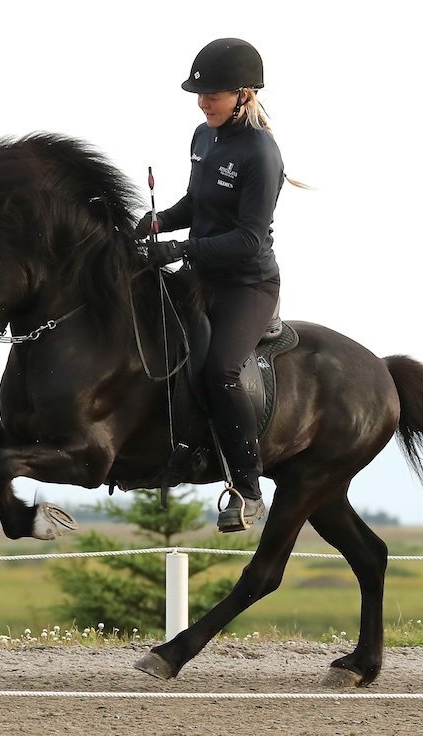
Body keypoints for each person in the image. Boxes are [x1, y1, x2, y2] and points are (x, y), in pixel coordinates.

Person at [135, 38, 297, 533]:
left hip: (247, 285)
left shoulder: (261, 153)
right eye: (200, 94)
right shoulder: (203, 138)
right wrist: (158, 222)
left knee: (221, 370)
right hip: (203, 274)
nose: (203, 102)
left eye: (213, 94)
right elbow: (195, 204)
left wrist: (182, 250)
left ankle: (247, 490)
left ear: (243, 94)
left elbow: (249, 238)